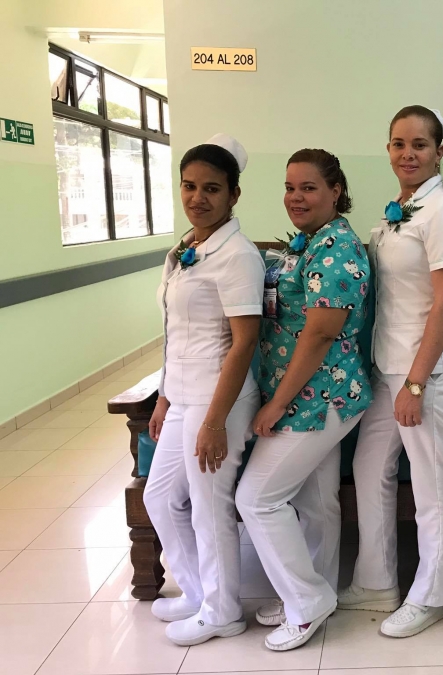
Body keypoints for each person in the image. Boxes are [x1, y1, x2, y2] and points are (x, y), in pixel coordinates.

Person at [338, 106, 443, 638]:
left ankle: (432, 594)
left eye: (420, 144)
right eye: (399, 143)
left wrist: (416, 382)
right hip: (389, 366)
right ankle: (375, 581)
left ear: (440, 151)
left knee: (430, 482)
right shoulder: (400, 210)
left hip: (427, 371)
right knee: (370, 465)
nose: (408, 153)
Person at [235, 149, 372, 651]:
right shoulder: (310, 242)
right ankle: (313, 593)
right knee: (316, 502)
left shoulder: (337, 248)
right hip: (311, 393)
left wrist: (276, 406)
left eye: (309, 187)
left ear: (335, 191)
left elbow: (319, 335)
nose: (296, 197)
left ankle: (307, 601)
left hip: (321, 396)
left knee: (256, 499)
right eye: (290, 187)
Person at [144, 134, 264, 646]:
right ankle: (197, 592)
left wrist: (215, 421)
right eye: (189, 186)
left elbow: (245, 342)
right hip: (183, 393)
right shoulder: (184, 249)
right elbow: (174, 331)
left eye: (212, 188)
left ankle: (222, 611)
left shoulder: (237, 255)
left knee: (208, 502)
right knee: (158, 496)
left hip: (220, 396)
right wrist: (164, 396)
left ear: (234, 194)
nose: (198, 197)